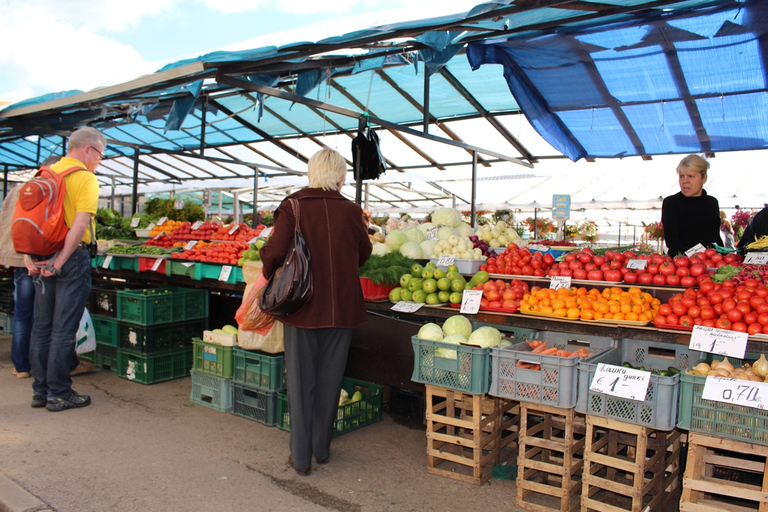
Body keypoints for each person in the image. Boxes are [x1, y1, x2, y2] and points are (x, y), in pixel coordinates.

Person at [259, 148, 372, 476]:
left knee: (300, 380)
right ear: (339, 176)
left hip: (302, 306)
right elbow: (363, 252)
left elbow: (275, 252)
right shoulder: (351, 211)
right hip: (342, 308)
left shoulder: (293, 206)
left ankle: (302, 456)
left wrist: (270, 274)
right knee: (330, 379)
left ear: (312, 173)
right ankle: (322, 448)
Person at [25, 127, 103, 412]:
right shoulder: (85, 178)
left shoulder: (44, 174)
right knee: (62, 330)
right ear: (88, 150)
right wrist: (60, 262)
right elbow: (80, 226)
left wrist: (29, 256)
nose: (100, 161)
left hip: (40, 255)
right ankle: (59, 393)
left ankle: (41, 390)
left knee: (42, 327)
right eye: (101, 155)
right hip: (69, 259)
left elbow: (27, 219)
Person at [661, 154, 722, 257]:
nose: (685, 181)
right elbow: (672, 242)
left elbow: (715, 238)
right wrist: (693, 258)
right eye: (681, 176)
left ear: (704, 178)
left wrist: (722, 255)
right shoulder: (671, 203)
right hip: (681, 264)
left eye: (691, 176)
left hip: (710, 262)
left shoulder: (712, 202)